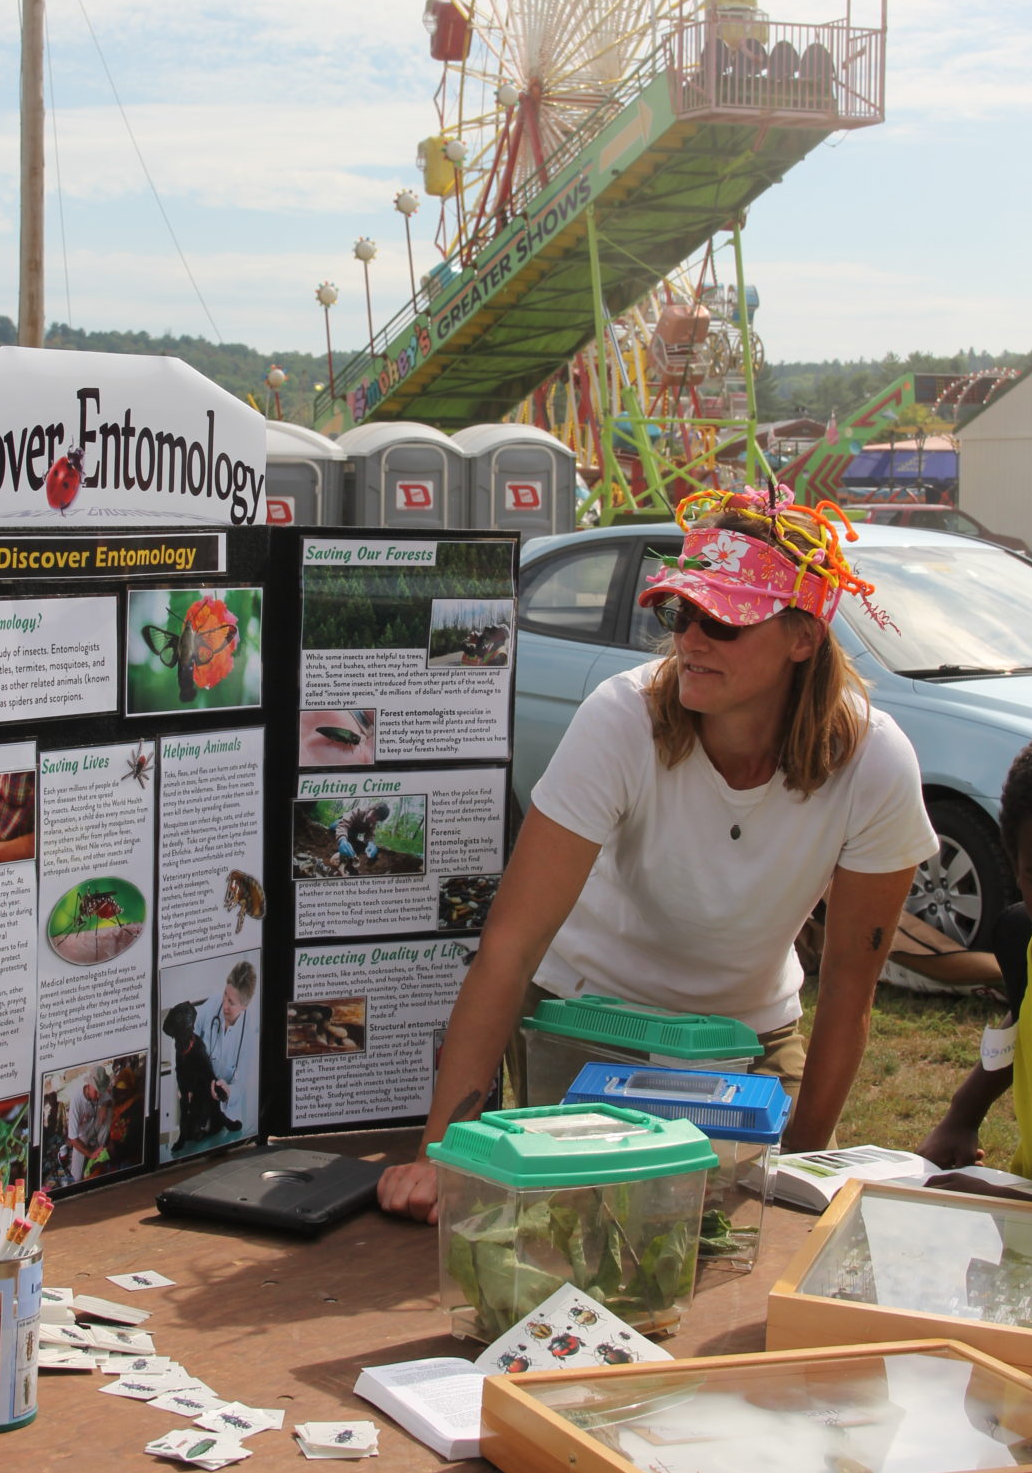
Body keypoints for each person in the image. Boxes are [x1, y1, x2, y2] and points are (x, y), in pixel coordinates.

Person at [379, 484, 937, 1223]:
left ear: (804, 637)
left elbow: (846, 997)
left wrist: (803, 1174)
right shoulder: (622, 716)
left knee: (746, 1241)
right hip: (587, 1018)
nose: (692, 639)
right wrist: (437, 1156)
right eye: (680, 613)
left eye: (725, 622)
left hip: (746, 1038)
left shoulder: (873, 761)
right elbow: (510, 947)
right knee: (582, 1232)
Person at [920, 728, 1032, 1198]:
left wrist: (1019, 1203)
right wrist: (962, 1113)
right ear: (1015, 869)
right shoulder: (1022, 940)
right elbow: (1023, 1015)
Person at [195, 960, 258, 1132]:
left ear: (244, 1006)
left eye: (231, 1002)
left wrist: (229, 1090)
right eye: (225, 995)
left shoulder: (249, 1033)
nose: (224, 1005)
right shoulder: (213, 1004)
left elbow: (242, 1085)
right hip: (198, 1098)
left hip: (225, 1113)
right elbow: (188, 1032)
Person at [65, 1067, 113, 1182]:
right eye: (96, 1091)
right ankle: (93, 1153)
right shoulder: (76, 1100)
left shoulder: (101, 1094)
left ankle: (99, 1147)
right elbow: (73, 1139)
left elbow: (109, 1100)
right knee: (76, 1177)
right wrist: (90, 1154)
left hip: (94, 1127)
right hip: (81, 1136)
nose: (98, 1096)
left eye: (100, 1093)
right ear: (88, 1085)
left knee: (109, 1112)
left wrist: (105, 1106)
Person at [333, 801, 389, 867]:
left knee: (352, 840)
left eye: (377, 819)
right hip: (341, 824)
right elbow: (343, 825)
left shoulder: (373, 823)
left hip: (353, 833)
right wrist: (342, 839)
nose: (374, 819)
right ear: (372, 809)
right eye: (374, 814)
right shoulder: (359, 810)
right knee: (334, 827)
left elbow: (370, 835)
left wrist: (370, 843)